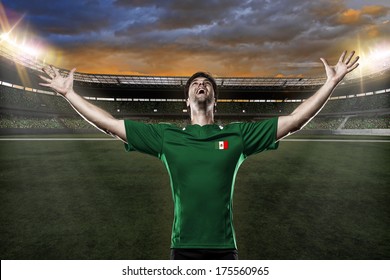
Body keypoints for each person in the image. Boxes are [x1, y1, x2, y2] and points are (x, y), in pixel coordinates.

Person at [39, 51, 359, 260]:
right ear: (187, 101)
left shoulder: (237, 136)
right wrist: (69, 94)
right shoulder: (167, 137)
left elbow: (293, 121)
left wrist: (330, 83)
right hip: (183, 249)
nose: (201, 84)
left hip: (225, 250)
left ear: (215, 101)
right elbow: (109, 124)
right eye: (195, 83)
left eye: (207, 83)